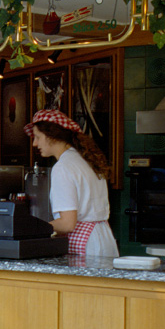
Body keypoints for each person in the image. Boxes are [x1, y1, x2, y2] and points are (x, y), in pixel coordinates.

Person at [24, 109, 119, 258]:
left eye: (37, 137)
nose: (35, 144)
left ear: (52, 136)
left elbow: (67, 224)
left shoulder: (63, 167)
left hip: (86, 245)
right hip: (103, 237)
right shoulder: (85, 159)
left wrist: (34, 229)